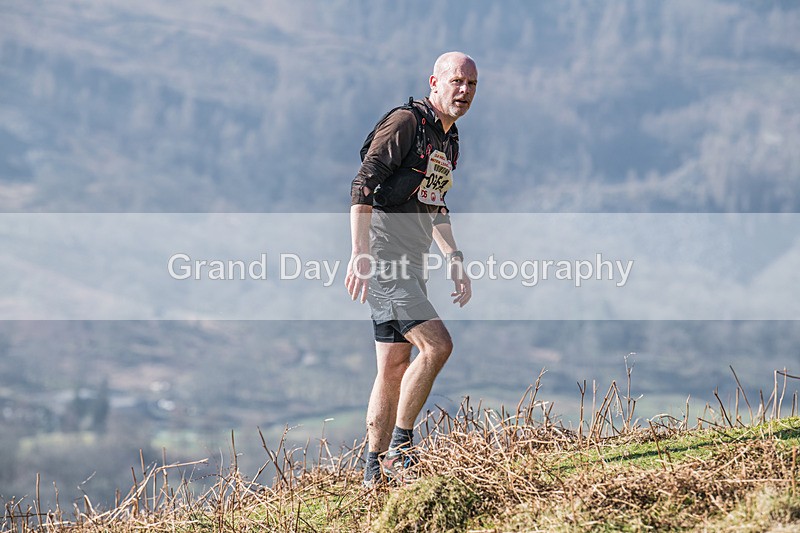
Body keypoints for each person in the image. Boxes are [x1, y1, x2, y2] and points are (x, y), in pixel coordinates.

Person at [345, 51, 478, 486]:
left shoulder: (448, 139)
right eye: (456, 81)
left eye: (471, 84)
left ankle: (373, 472)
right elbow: (363, 184)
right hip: (386, 258)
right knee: (437, 346)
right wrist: (360, 253)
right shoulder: (407, 123)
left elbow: (436, 204)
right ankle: (401, 450)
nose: (464, 90)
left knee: (393, 366)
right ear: (434, 82)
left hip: (414, 261)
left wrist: (454, 259)